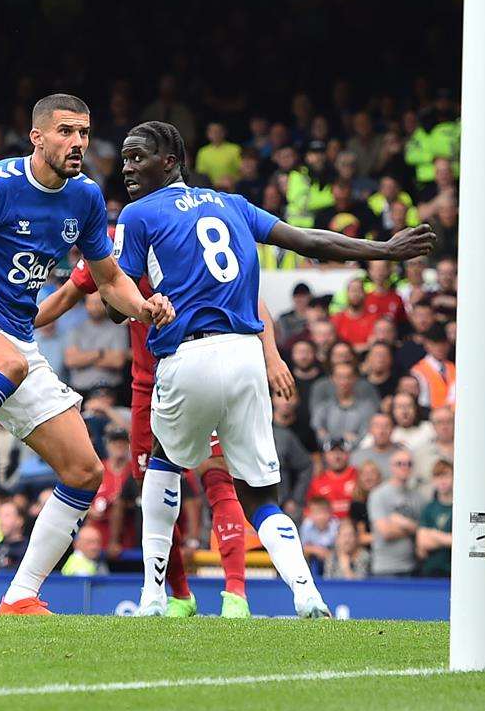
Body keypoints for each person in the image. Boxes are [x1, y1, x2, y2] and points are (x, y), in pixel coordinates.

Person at [109, 120, 435, 618]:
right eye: (126, 159)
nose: (127, 168)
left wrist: (135, 303)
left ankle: (153, 597)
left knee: (163, 464)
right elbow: (308, 241)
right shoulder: (233, 205)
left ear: (170, 161)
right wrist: (382, 250)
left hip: (187, 356)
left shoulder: (137, 214)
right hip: (245, 356)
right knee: (259, 491)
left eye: (138, 158)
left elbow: (117, 301)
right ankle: (307, 593)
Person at [0, 94, 171, 614]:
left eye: (85, 133)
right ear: (38, 137)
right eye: (66, 132)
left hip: (19, 337)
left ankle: (21, 595)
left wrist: (144, 307)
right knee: (10, 364)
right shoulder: (0, 182)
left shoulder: (86, 197)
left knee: (85, 472)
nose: (78, 143)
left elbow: (109, 279)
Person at [36, 253, 263, 618]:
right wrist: (13, 324)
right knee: (152, 493)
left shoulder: (191, 236)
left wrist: (272, 355)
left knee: (218, 476)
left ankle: (236, 593)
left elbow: (253, 296)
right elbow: (69, 295)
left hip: (201, 371)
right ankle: (179, 595)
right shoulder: (116, 245)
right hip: (148, 387)